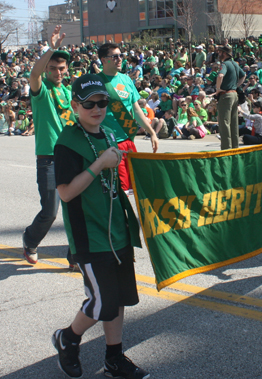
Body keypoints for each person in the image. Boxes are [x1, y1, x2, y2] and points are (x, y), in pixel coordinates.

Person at [52, 74, 148, 379]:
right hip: (89, 235)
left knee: (119, 299)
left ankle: (113, 358)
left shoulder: (108, 134)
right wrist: (98, 165)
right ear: (75, 106)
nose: (97, 108)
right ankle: (68, 337)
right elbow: (66, 193)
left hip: (116, 229)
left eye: (102, 102)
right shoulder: (67, 142)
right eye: (89, 103)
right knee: (103, 301)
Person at [23, 26, 77, 265]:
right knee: (50, 212)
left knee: (75, 210)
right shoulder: (41, 90)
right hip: (48, 159)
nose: (57, 72)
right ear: (46, 68)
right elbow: (33, 76)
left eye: (61, 68)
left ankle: (74, 255)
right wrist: (51, 48)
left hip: (71, 157)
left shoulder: (67, 92)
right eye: (53, 68)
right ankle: (30, 240)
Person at [97, 43, 158, 194]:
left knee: (135, 186)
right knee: (118, 189)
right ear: (104, 60)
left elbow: (136, 109)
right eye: (115, 56)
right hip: (108, 142)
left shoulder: (126, 80)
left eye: (121, 56)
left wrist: (152, 132)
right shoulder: (96, 81)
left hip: (128, 140)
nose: (120, 59)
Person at [214, 45, 245, 150]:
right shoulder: (235, 64)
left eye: (220, 52)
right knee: (233, 123)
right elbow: (243, 75)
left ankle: (226, 149)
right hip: (234, 94)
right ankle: (235, 147)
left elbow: (220, 76)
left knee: (224, 123)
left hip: (226, 95)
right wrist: (236, 86)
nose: (219, 54)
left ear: (225, 53)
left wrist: (218, 88)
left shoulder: (225, 64)